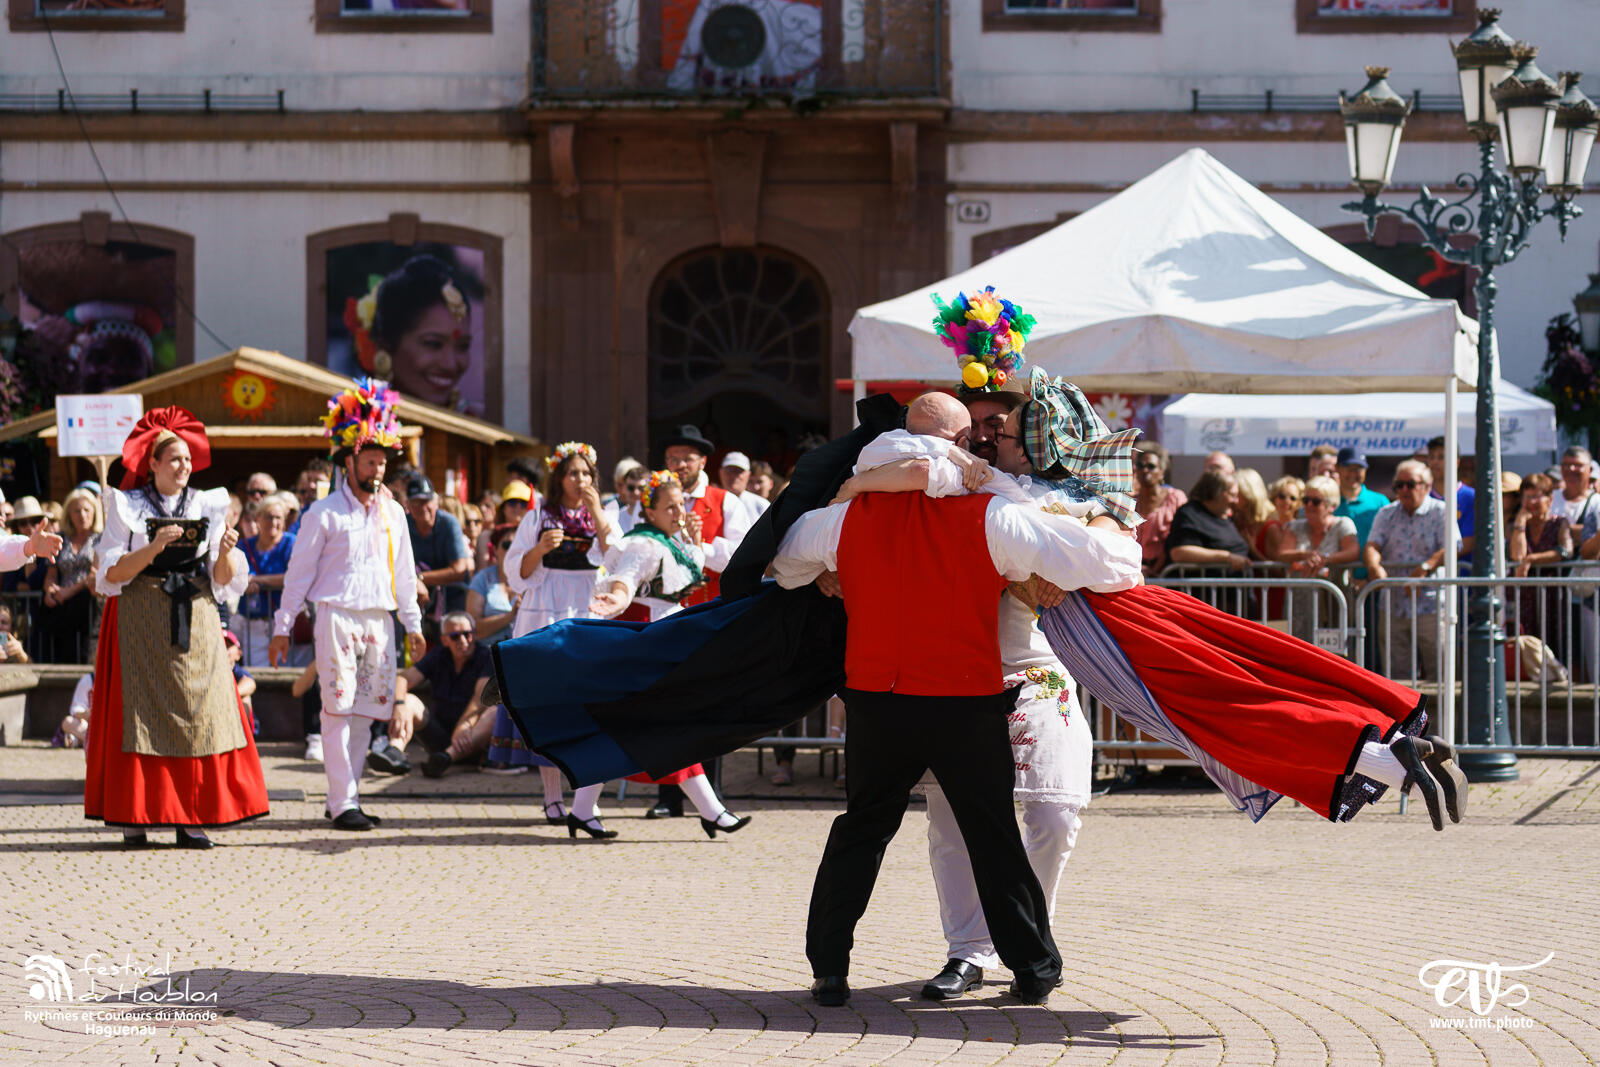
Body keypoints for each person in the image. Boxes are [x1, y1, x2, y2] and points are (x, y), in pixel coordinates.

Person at [770, 406, 1144, 1007]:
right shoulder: (993, 513)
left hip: (877, 697)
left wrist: (823, 574)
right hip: (959, 696)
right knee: (990, 833)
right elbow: (1118, 565)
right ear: (961, 448)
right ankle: (1033, 967)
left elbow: (782, 562)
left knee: (861, 831)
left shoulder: (843, 520)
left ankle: (829, 968)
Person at [86, 406, 266, 848]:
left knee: (197, 711)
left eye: (188, 459)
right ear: (152, 464)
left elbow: (222, 579)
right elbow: (111, 574)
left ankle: (191, 817)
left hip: (196, 615)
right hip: (139, 617)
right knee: (140, 714)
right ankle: (136, 815)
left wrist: (223, 550)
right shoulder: (126, 506)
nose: (184, 467)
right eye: (175, 460)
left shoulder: (208, 504)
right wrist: (154, 546)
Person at [269, 379, 426, 832]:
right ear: (348, 460)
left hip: (380, 619)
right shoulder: (322, 514)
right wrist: (283, 625)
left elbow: (405, 574)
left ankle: (346, 796)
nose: (378, 470)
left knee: (367, 714)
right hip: (335, 617)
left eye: (382, 462)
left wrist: (412, 624)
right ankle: (341, 802)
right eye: (370, 461)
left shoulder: (395, 512)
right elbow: (297, 575)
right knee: (336, 710)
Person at [588, 470, 752, 841]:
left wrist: (695, 539)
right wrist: (617, 597)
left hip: (664, 638)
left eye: (681, 504)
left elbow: (711, 560)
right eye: (670, 507)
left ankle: (583, 810)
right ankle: (713, 812)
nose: (679, 511)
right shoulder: (644, 543)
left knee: (632, 729)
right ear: (649, 510)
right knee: (666, 726)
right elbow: (626, 578)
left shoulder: (672, 541)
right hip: (643, 640)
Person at [502, 441, 619, 825]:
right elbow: (514, 570)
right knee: (547, 706)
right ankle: (552, 799)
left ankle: (585, 800)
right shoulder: (538, 515)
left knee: (587, 706)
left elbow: (615, 556)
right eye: (573, 473)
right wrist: (538, 550)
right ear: (559, 477)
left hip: (585, 605)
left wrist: (597, 509)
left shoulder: (606, 511)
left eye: (586, 473)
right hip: (544, 609)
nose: (579, 479)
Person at [1363, 460, 1458, 682]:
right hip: (1393, 603)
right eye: (1399, 485)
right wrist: (1374, 566)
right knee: (1396, 674)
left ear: (1426, 486)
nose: (1404, 490)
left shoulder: (1440, 511)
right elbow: (1372, 545)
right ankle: (1404, 717)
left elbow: (1452, 546)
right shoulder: (1386, 513)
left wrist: (1425, 568)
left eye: (1410, 484)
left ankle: (1440, 716)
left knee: (1440, 670)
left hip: (1431, 603)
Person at [355, 254, 474, 412]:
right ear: (386, 345)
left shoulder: (475, 426)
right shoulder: (354, 429)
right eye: (434, 344)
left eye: (463, 346)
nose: (451, 364)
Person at [393, 611, 497, 778]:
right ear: (444, 640)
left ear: (474, 634)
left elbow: (480, 698)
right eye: (455, 636)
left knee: (494, 713)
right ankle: (394, 751)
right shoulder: (437, 655)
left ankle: (446, 759)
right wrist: (398, 705)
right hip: (439, 736)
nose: (463, 641)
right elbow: (404, 678)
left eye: (467, 634)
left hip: (471, 737)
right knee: (409, 701)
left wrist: (464, 725)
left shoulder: (486, 656)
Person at [659, 424, 752, 605]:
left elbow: (743, 556)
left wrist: (699, 546)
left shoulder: (727, 502)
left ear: (703, 462)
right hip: (664, 610)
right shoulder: (653, 505)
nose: (680, 465)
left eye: (688, 459)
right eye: (673, 459)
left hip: (713, 608)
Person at [1277, 476, 1359, 642]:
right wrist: (1305, 555)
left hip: (1333, 602)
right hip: (1300, 603)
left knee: (1334, 653)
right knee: (1298, 647)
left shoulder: (1342, 524)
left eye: (1315, 501)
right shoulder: (1295, 526)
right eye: (1306, 500)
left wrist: (1326, 559)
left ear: (1332, 506)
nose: (1308, 506)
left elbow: (1353, 551)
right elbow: (1282, 553)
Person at [1509, 472, 1574, 651]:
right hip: (1524, 597)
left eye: (1537, 496)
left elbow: (1565, 551)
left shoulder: (1559, 523)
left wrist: (1532, 559)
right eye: (1527, 497)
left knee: (1555, 642)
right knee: (1525, 643)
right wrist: (1520, 524)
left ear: (1550, 499)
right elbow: (1516, 555)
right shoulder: (1514, 526)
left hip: (1552, 596)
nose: (1532, 502)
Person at [237, 493, 296, 667]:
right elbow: (235, 577)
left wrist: (258, 581)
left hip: (284, 623)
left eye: (278, 517)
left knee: (285, 674)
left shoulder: (291, 544)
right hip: (253, 623)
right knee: (256, 674)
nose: (274, 522)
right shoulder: (244, 546)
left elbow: (294, 578)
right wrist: (243, 584)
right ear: (258, 518)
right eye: (269, 517)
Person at [43, 487, 101, 663]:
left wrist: (69, 591)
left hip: (90, 605)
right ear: (69, 514)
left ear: (94, 513)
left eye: (86, 510)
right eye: (77, 511)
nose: (82, 515)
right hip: (62, 606)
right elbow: (52, 572)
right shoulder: (60, 538)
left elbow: (95, 573)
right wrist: (50, 590)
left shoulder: (101, 539)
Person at [405, 474, 472, 627]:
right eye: (416, 502)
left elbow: (459, 570)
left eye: (426, 501)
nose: (422, 508)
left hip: (453, 596)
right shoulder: (402, 524)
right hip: (416, 597)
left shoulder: (449, 523)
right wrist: (415, 583)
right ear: (407, 505)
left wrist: (418, 579)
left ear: (436, 502)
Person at [1166, 469, 1251, 572]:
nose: (1236, 501)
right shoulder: (1190, 514)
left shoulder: (1227, 517)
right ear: (1217, 493)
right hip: (1203, 586)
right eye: (1232, 495)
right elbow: (1179, 553)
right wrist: (1227, 557)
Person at [1132, 441, 1186, 576]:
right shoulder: (1130, 501)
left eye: (1151, 466)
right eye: (1140, 465)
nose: (1145, 470)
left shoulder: (1176, 498)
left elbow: (1180, 535)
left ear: (1162, 473)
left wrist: (1156, 570)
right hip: (1135, 570)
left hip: (1167, 572)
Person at [1333, 447, 1386, 581]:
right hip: (1334, 582)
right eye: (1348, 467)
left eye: (1358, 468)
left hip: (1372, 582)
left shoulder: (1380, 502)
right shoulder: (1327, 501)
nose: (1353, 473)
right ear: (1337, 468)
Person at [466, 524, 520, 646]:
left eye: (517, 545)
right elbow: (474, 629)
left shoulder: (533, 579)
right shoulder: (482, 579)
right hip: (489, 655)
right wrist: (509, 617)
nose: (512, 550)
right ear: (495, 549)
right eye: (507, 545)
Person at [1426, 435, 1476, 563]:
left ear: (1457, 462)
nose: (1435, 462)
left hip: (1462, 576)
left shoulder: (1470, 497)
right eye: (1431, 457)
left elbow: (1469, 541)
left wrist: (1433, 561)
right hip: (1427, 577)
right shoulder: (1422, 496)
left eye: (1441, 457)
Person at [0, 488, 62, 574]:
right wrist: (29, 548)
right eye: (23, 523)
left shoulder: (54, 547)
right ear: (16, 526)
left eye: (35, 520)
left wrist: (29, 548)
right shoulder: (9, 549)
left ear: (43, 521)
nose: (29, 527)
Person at [1231, 468, 1274, 561]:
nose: (1233, 499)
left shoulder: (1271, 528)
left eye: (1237, 494)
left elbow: (1279, 572)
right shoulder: (1234, 520)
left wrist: (1252, 550)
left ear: (1249, 495)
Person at [720, 451, 770, 523]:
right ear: (720, 472)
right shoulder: (709, 500)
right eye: (729, 470)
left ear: (748, 475)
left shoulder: (762, 506)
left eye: (739, 471)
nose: (733, 475)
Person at [1552, 445, 1596, 526]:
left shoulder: (1597, 502)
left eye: (1578, 465)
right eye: (1566, 465)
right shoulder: (1549, 498)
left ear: (1590, 469)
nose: (1571, 469)